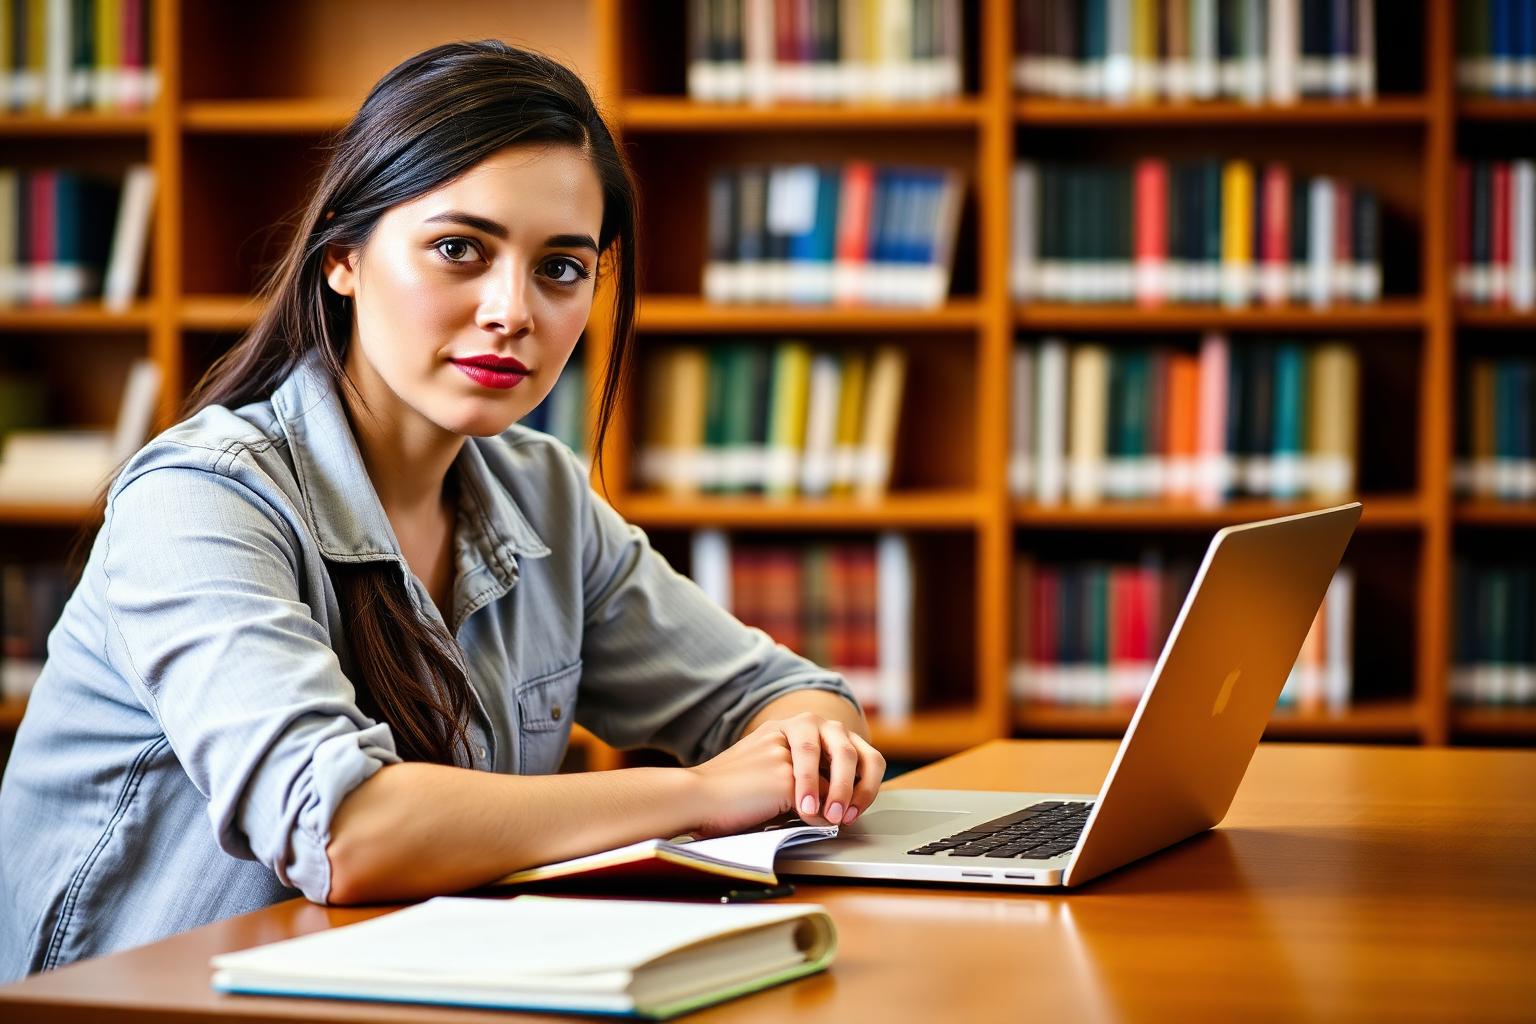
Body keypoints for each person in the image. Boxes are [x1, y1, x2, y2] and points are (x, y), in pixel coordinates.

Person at [0, 40, 884, 979]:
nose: (513, 311)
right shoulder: (200, 500)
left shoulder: (540, 492)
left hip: (415, 983)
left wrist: (810, 740)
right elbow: (344, 833)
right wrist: (702, 795)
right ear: (343, 255)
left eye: (561, 268)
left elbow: (779, 694)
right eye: (459, 249)